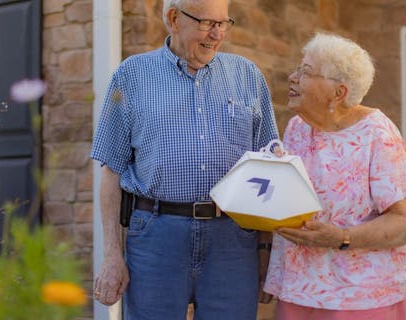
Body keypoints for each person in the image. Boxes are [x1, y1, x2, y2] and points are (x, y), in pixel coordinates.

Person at [89, 0, 279, 319]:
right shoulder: (131, 75)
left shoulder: (248, 76)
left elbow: (268, 171)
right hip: (155, 236)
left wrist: (265, 252)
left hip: (232, 239)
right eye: (207, 24)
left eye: (223, 23)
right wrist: (112, 253)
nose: (217, 34)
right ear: (174, 19)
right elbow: (111, 170)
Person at [263, 33, 406, 320]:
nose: (292, 77)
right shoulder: (297, 128)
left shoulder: (377, 133)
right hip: (299, 290)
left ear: (338, 93)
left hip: (359, 298)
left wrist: (342, 237)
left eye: (305, 72)